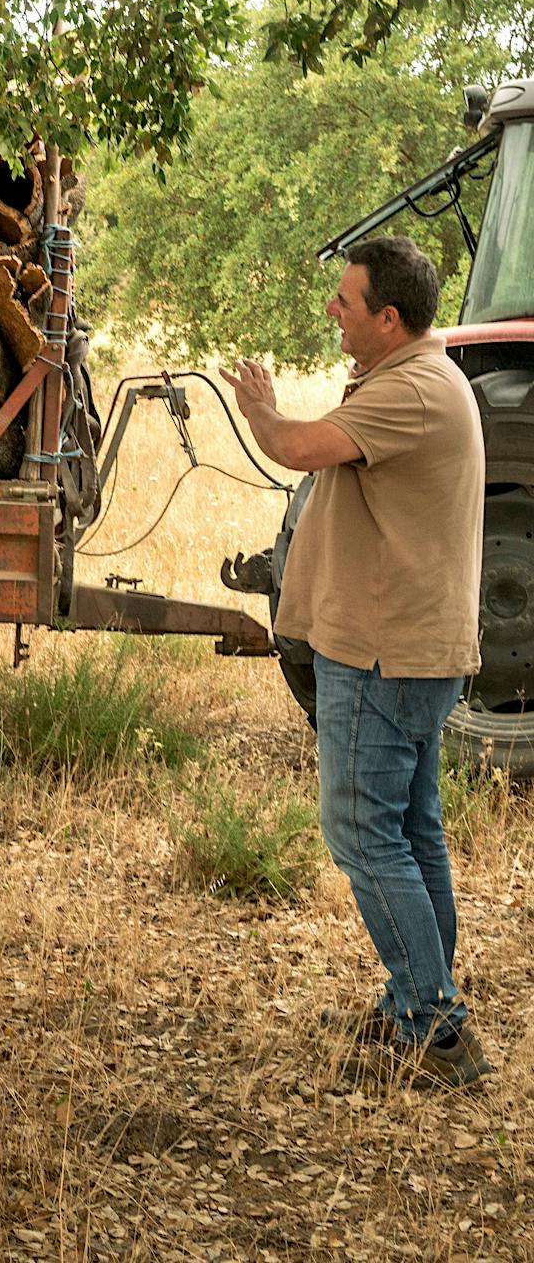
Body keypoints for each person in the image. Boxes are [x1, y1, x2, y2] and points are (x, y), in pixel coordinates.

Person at [222, 234, 489, 1090]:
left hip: (383, 654)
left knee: (360, 830)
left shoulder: (410, 390)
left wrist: (259, 407)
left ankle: (436, 1026)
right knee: (411, 828)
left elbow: (297, 449)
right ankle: (420, 1001)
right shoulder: (419, 377)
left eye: (346, 300)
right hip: (410, 647)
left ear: (389, 316)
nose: (332, 310)